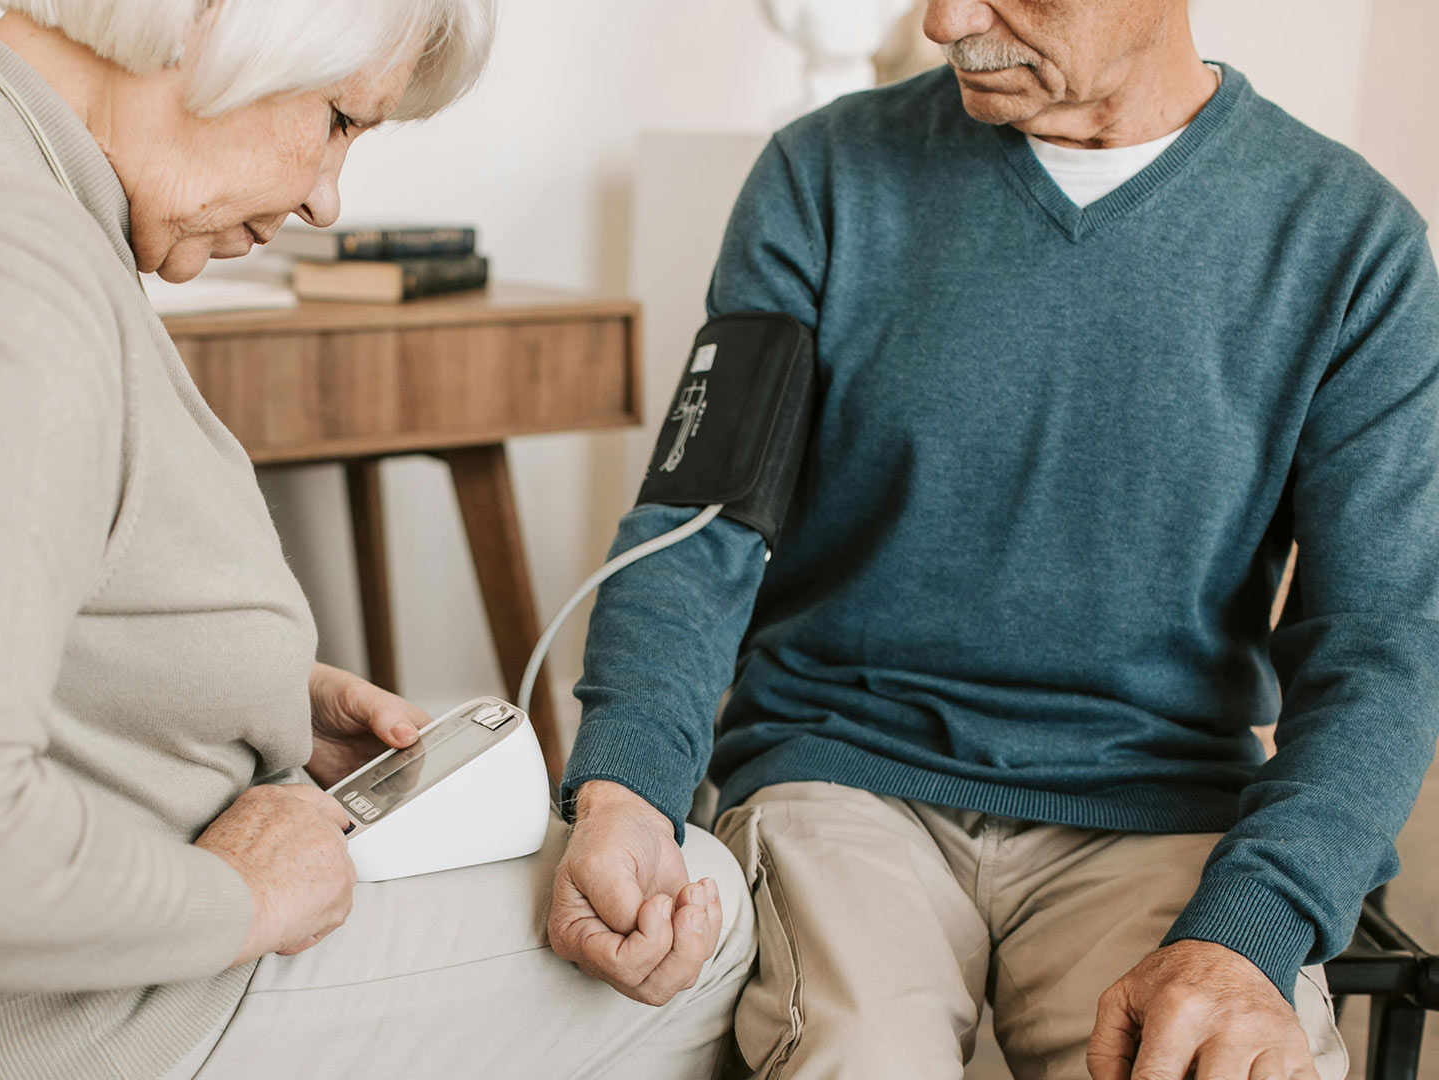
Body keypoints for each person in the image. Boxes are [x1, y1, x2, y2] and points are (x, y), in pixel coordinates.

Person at [0, 3, 753, 1078]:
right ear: (221, 21)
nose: (327, 198)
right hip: (32, 1029)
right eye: (340, 121)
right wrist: (239, 900)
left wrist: (234, 692)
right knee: (706, 912)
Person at [548, 0, 1439, 1077]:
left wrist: (1251, 926)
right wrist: (627, 787)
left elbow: (1381, 646)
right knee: (860, 1056)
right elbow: (699, 529)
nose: (945, 20)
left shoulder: (1353, 244)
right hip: (845, 774)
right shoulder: (825, 175)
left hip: (1161, 808)